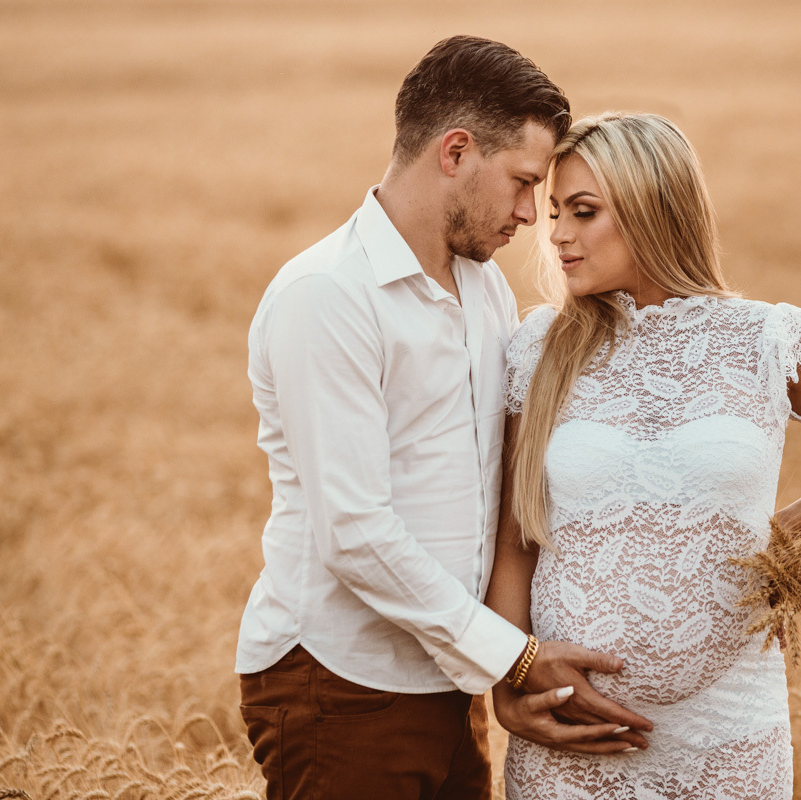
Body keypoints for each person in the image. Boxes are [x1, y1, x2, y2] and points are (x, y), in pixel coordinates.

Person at [234, 37, 649, 800]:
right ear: (455, 151)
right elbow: (354, 531)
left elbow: (497, 484)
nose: (533, 214)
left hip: (446, 679)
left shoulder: (484, 289)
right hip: (339, 683)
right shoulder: (327, 296)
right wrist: (515, 658)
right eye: (524, 182)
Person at [485, 112, 801, 799]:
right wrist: (514, 677)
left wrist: (769, 542)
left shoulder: (768, 339)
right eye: (555, 211)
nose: (556, 232)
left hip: (731, 731)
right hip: (572, 737)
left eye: (583, 211)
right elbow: (514, 541)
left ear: (655, 207)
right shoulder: (540, 349)